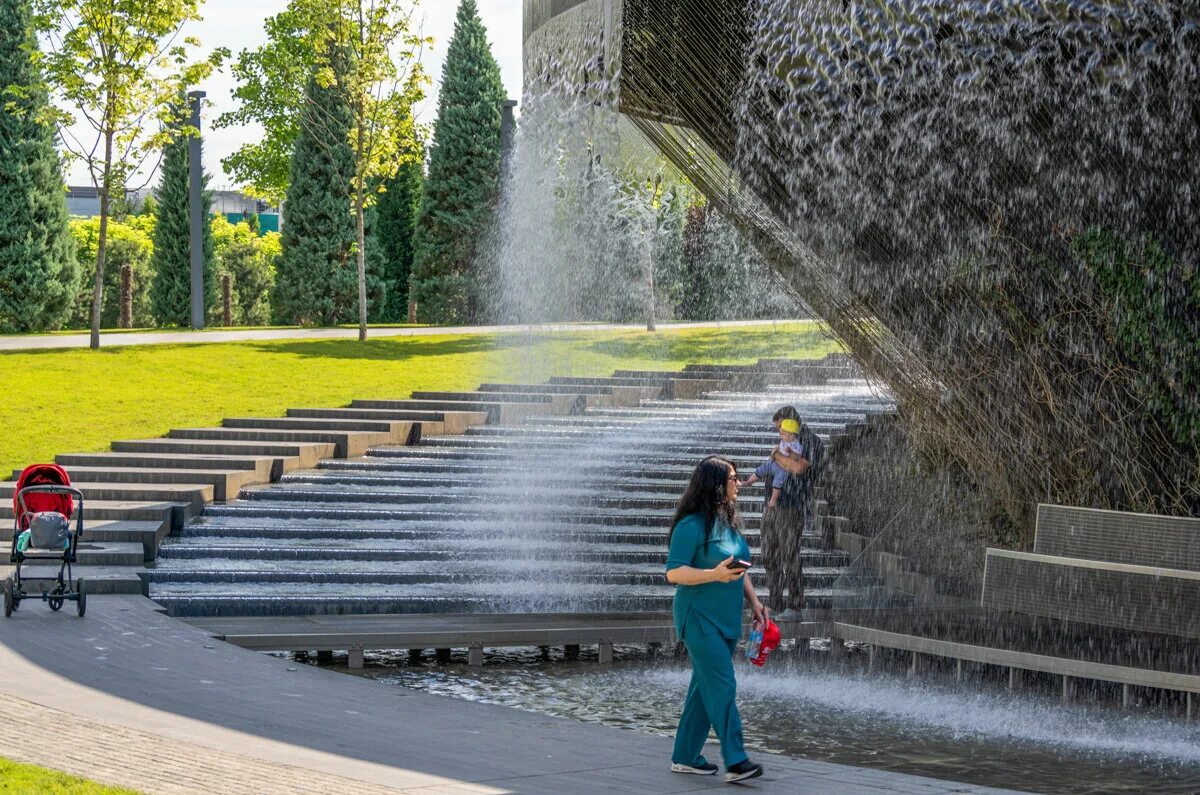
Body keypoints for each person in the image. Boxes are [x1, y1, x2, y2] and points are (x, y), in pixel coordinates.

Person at [665, 455, 766, 783]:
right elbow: (674, 572)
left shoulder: (728, 523)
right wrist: (712, 574)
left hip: (726, 618)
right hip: (698, 616)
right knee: (722, 683)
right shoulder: (690, 525)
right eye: (733, 478)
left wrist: (755, 602)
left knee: (702, 687)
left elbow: (738, 568)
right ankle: (736, 760)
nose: (738, 484)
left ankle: (685, 756)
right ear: (715, 484)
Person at [758, 406, 824, 621]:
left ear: (789, 423)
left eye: (780, 428)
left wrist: (776, 454)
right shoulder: (787, 442)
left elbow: (798, 468)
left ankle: (795, 605)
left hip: (792, 507)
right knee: (769, 554)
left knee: (789, 555)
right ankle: (774, 602)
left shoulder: (810, 441)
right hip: (773, 507)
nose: (779, 433)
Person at [739, 418, 804, 508]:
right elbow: (778, 448)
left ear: (791, 435)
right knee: (762, 468)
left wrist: (791, 453)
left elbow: (798, 457)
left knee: (778, 481)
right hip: (775, 463)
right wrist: (774, 452)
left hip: (784, 468)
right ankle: (750, 481)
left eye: (783, 434)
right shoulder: (784, 441)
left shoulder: (797, 445)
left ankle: (773, 499)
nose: (780, 436)